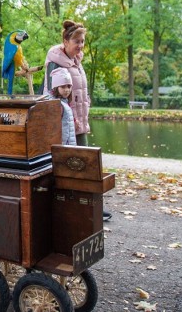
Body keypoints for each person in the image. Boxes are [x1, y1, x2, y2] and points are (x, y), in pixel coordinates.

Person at [42, 20, 112, 221]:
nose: (80, 46)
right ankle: (70, 207)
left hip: (80, 123)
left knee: (87, 165)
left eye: (83, 42)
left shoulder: (77, 61)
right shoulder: (56, 62)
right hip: (64, 123)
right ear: (65, 40)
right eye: (77, 41)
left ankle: (92, 206)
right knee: (70, 166)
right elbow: (51, 95)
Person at [47, 68, 76, 146]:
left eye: (69, 86)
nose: (67, 90)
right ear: (56, 87)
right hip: (61, 145)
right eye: (63, 87)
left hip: (67, 144)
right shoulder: (55, 104)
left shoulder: (64, 102)